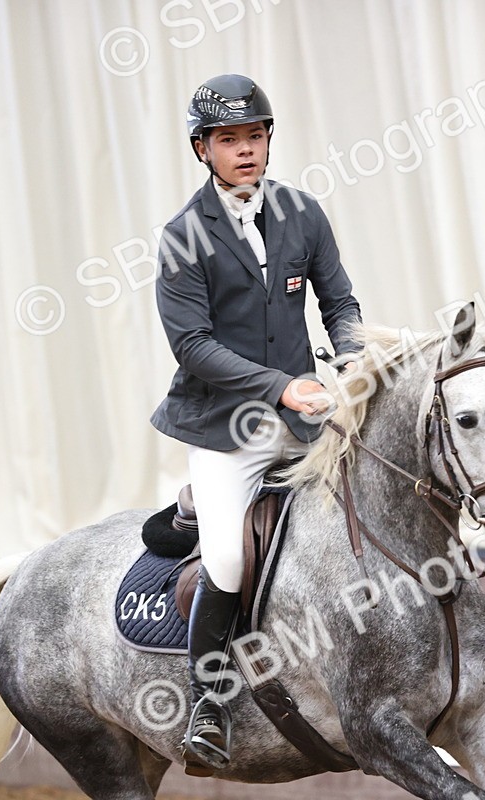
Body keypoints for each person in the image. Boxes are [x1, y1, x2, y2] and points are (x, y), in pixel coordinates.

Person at [150, 73, 362, 770]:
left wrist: (355, 357)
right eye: (230, 140)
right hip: (225, 428)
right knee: (231, 558)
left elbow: (339, 302)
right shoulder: (183, 237)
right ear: (202, 149)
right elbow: (194, 347)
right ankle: (208, 705)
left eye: (256, 136)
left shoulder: (304, 213)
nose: (246, 150)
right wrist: (281, 388)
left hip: (306, 415)